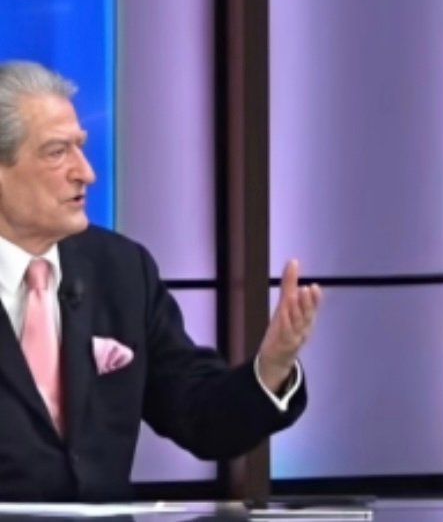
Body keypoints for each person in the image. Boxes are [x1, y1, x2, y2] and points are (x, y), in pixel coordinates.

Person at [0, 60, 321, 500]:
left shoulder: (121, 270)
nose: (86, 172)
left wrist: (272, 367)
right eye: (57, 153)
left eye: (80, 147)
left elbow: (200, 417)